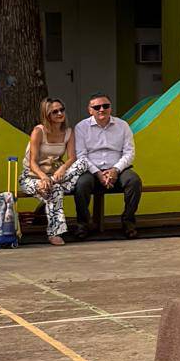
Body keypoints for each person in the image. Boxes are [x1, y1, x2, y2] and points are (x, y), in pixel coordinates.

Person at [71, 92, 141, 240]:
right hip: (91, 170)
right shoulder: (81, 127)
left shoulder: (122, 126)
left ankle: (128, 221)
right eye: (97, 107)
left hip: (118, 169)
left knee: (134, 181)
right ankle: (83, 224)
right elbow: (81, 155)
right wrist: (98, 173)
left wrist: (115, 169)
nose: (101, 109)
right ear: (90, 110)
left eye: (105, 106)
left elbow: (129, 153)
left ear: (110, 108)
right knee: (81, 184)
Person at [24, 97, 77, 246]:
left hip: (55, 175)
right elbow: (32, 162)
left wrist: (62, 168)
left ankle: (52, 184)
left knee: (83, 162)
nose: (60, 113)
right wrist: (43, 177)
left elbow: (72, 158)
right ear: (47, 115)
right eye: (55, 112)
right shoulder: (38, 131)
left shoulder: (68, 132)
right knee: (56, 190)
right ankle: (55, 233)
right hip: (32, 176)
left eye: (62, 110)